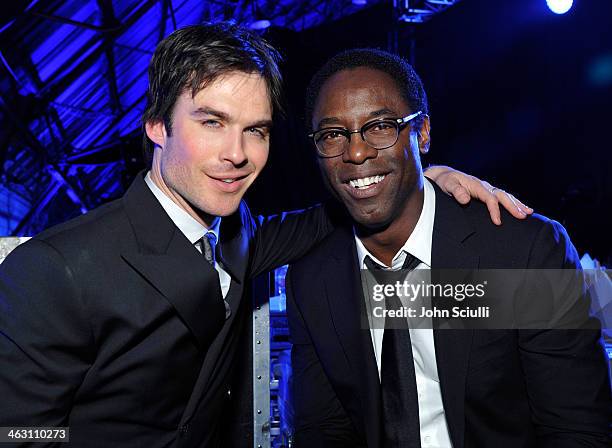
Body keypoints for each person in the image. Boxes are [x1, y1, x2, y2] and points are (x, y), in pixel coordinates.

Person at [0, 24, 529, 447]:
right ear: (156, 126)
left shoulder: (237, 234)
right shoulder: (53, 269)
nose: (238, 154)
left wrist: (414, 174)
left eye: (256, 129)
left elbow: (332, 214)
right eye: (212, 122)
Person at [286, 48, 611, 448]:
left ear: (422, 133)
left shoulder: (520, 253)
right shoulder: (314, 279)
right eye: (334, 134)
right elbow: (324, 432)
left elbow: (576, 431)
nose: (356, 152)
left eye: (381, 126)